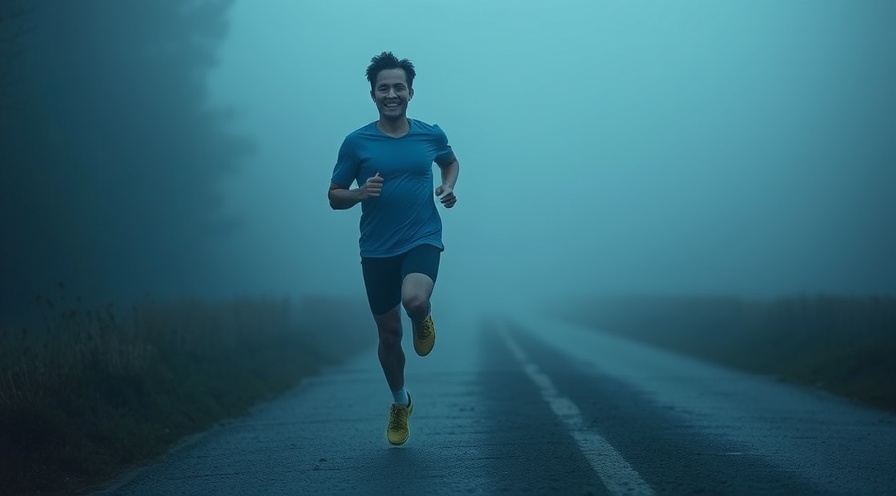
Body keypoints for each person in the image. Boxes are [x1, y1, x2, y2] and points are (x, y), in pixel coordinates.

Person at [327, 51, 460, 446]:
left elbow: (450, 163)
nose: (391, 93)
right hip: (377, 250)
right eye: (383, 88)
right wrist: (359, 193)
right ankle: (401, 402)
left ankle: (423, 317)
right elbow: (334, 196)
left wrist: (448, 186)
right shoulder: (356, 143)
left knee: (415, 300)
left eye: (398, 87)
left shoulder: (429, 134)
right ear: (373, 95)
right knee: (388, 337)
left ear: (410, 92)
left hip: (422, 237)